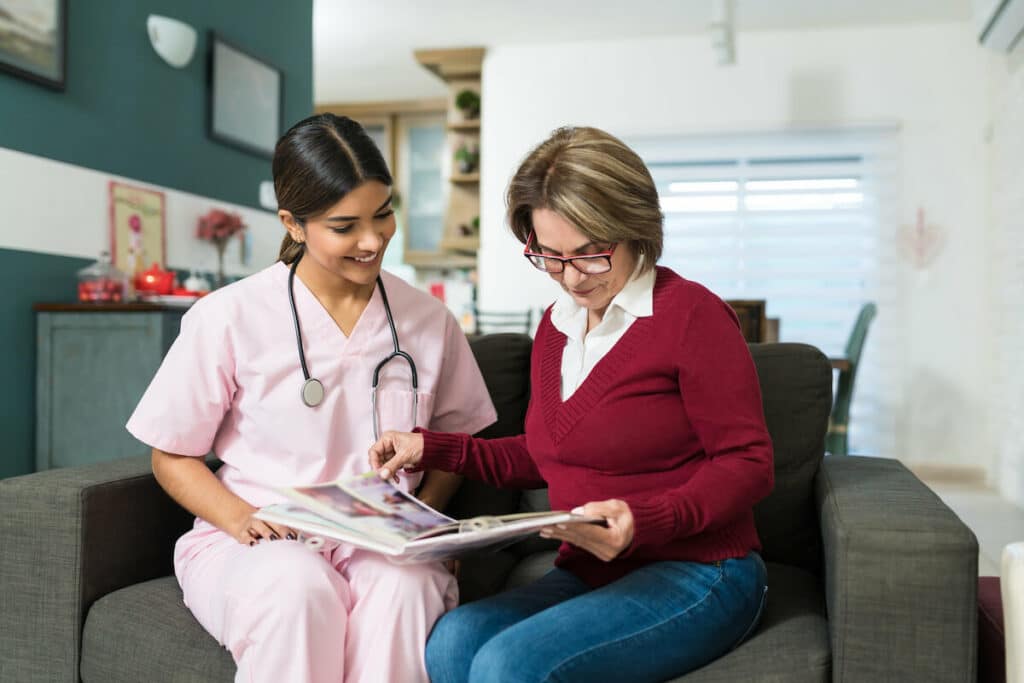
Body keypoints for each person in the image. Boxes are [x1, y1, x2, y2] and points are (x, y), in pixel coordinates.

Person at [369, 126, 774, 683]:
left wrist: (645, 519)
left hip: (701, 570)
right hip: (593, 568)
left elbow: (748, 463)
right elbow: (548, 452)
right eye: (550, 256)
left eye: (590, 255)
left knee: (509, 665)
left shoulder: (692, 317)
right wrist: (431, 447)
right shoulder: (555, 328)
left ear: (636, 230)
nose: (571, 277)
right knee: (451, 641)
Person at [126, 113, 496, 683]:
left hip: (381, 536)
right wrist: (239, 517)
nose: (373, 241)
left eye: (383, 214)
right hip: (259, 536)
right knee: (298, 588)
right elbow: (170, 454)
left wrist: (428, 521)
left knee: (409, 586)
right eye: (345, 226)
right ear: (293, 225)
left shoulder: (428, 320)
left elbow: (456, 439)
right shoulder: (228, 316)